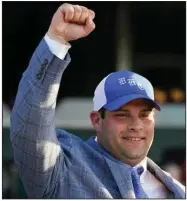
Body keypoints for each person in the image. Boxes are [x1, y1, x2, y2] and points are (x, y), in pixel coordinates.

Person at [10, 3, 185, 199]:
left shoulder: (175, 189)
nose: (136, 125)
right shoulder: (62, 170)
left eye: (145, 115)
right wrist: (56, 41)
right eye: (122, 115)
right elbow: (30, 125)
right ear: (96, 120)